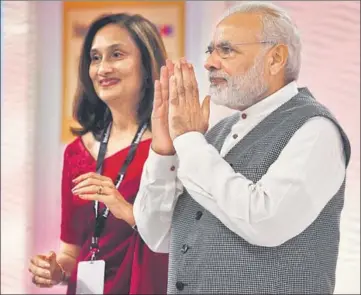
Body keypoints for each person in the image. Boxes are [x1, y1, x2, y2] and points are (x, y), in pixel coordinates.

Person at [133, 2, 351, 294]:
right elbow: (158, 238)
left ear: (275, 59)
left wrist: (188, 139)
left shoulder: (315, 129)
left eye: (226, 50)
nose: (210, 62)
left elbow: (266, 222)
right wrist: (164, 152)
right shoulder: (214, 135)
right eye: (210, 50)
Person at [28, 13, 169, 294]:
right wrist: (56, 270)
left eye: (116, 54)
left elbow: (183, 240)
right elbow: (71, 251)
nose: (103, 68)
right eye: (95, 58)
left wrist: (126, 210)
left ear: (146, 64)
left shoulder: (169, 147)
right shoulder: (77, 153)